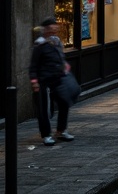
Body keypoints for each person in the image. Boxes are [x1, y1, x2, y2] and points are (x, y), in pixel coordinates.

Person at [29, 16, 74, 144]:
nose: (55, 31)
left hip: (58, 78)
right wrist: (34, 81)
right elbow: (33, 65)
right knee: (45, 109)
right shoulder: (40, 44)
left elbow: (60, 57)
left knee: (64, 102)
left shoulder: (56, 41)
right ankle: (46, 134)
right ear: (46, 30)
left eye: (56, 28)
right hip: (44, 80)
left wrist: (64, 66)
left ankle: (61, 131)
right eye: (52, 29)